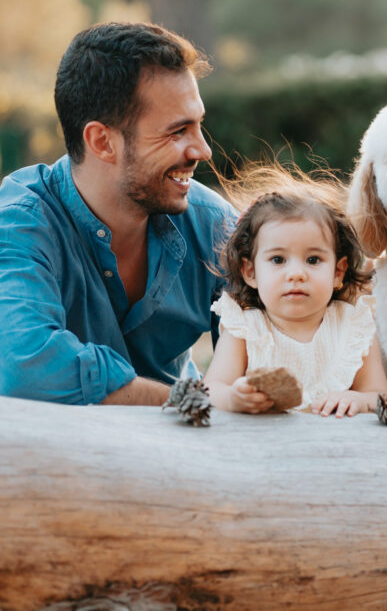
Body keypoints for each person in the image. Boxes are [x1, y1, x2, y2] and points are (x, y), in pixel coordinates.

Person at [0, 22, 236, 405]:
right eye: (178, 132)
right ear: (102, 142)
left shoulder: (214, 225)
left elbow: (283, 346)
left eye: (199, 125)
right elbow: (25, 368)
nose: (202, 150)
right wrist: (186, 401)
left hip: (189, 454)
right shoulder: (19, 226)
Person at [203, 164, 387, 417]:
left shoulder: (354, 325)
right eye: (278, 260)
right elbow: (211, 388)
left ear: (338, 271)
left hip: (338, 449)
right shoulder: (246, 329)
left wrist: (357, 398)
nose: (296, 274)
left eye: (313, 260)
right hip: (263, 448)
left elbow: (380, 395)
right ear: (250, 272)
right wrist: (233, 398)